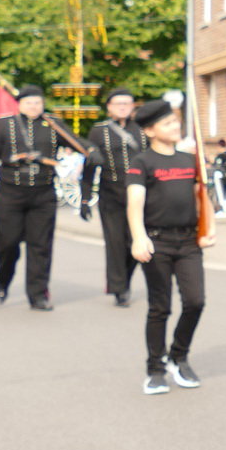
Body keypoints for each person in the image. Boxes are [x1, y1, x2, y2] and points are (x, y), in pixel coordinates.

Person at [125, 99, 215, 395]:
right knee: (159, 307)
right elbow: (134, 202)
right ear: (150, 131)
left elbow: (202, 196)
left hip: (188, 242)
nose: (176, 126)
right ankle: (155, 369)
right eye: (167, 123)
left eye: (176, 121)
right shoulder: (142, 162)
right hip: (157, 241)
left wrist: (208, 228)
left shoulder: (190, 160)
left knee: (195, 301)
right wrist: (139, 237)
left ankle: (178, 356)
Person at [0, 85, 65, 310]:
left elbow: (77, 143)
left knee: (41, 246)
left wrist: (93, 151)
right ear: (20, 105)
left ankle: (38, 294)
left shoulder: (54, 124)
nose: (33, 106)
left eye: (38, 102)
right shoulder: (3, 125)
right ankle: (2, 280)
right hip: (10, 193)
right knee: (7, 242)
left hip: (43, 193)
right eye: (28, 103)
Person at [82, 87, 144, 306]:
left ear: (133, 106)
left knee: (136, 241)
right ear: (109, 107)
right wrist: (85, 198)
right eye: (118, 103)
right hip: (111, 194)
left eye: (127, 103)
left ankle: (124, 278)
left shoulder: (143, 129)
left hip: (140, 194)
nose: (122, 107)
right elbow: (90, 165)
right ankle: (119, 288)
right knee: (115, 242)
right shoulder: (98, 130)